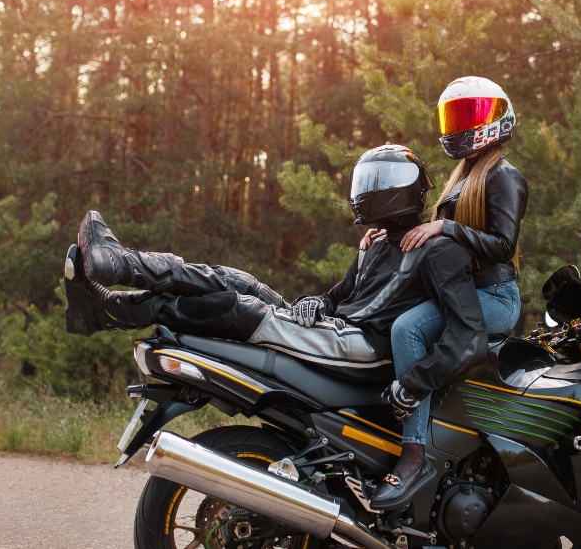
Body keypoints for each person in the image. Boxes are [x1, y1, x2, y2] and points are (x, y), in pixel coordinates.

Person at [63, 147, 488, 506]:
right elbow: (340, 296)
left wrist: (413, 383)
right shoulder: (378, 243)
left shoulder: (438, 251)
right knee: (239, 281)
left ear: (402, 188)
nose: (367, 190)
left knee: (242, 308)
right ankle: (117, 271)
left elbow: (468, 337)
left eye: (379, 181)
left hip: (359, 348)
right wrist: (313, 303)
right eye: (367, 180)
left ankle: (115, 308)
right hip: (333, 329)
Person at [360, 76, 528, 505]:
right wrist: (385, 234)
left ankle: (414, 454)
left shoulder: (504, 177)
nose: (459, 125)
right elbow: (430, 240)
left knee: (406, 330)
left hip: (494, 298)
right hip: (457, 290)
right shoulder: (464, 175)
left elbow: (503, 246)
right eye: (454, 116)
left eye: (469, 115)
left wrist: (445, 225)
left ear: (496, 118)